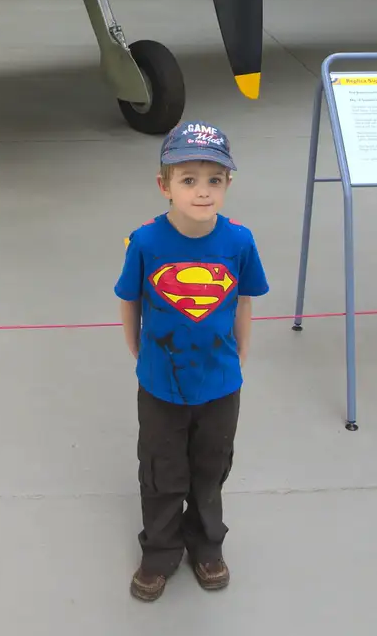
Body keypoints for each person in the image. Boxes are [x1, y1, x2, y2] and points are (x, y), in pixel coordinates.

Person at [115, 120, 268, 602]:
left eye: (214, 180)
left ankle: (206, 545)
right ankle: (160, 551)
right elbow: (129, 300)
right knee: (161, 470)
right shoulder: (145, 242)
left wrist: (239, 356)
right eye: (188, 180)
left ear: (228, 185)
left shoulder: (239, 242)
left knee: (210, 466)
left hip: (220, 384)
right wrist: (138, 350)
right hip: (161, 383)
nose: (202, 192)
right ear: (164, 186)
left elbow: (243, 301)